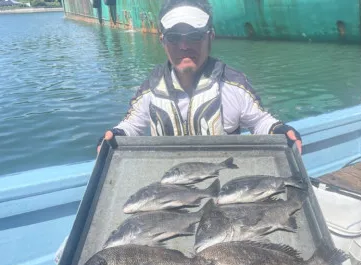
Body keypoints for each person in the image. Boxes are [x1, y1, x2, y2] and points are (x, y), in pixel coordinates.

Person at [97, 0, 302, 154]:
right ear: (163, 41)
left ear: (210, 37)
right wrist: (115, 135)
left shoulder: (234, 85)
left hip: (221, 182)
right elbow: (132, 126)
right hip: (167, 185)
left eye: (194, 36)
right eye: (174, 37)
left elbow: (259, 122)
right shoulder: (150, 89)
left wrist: (278, 129)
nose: (184, 46)